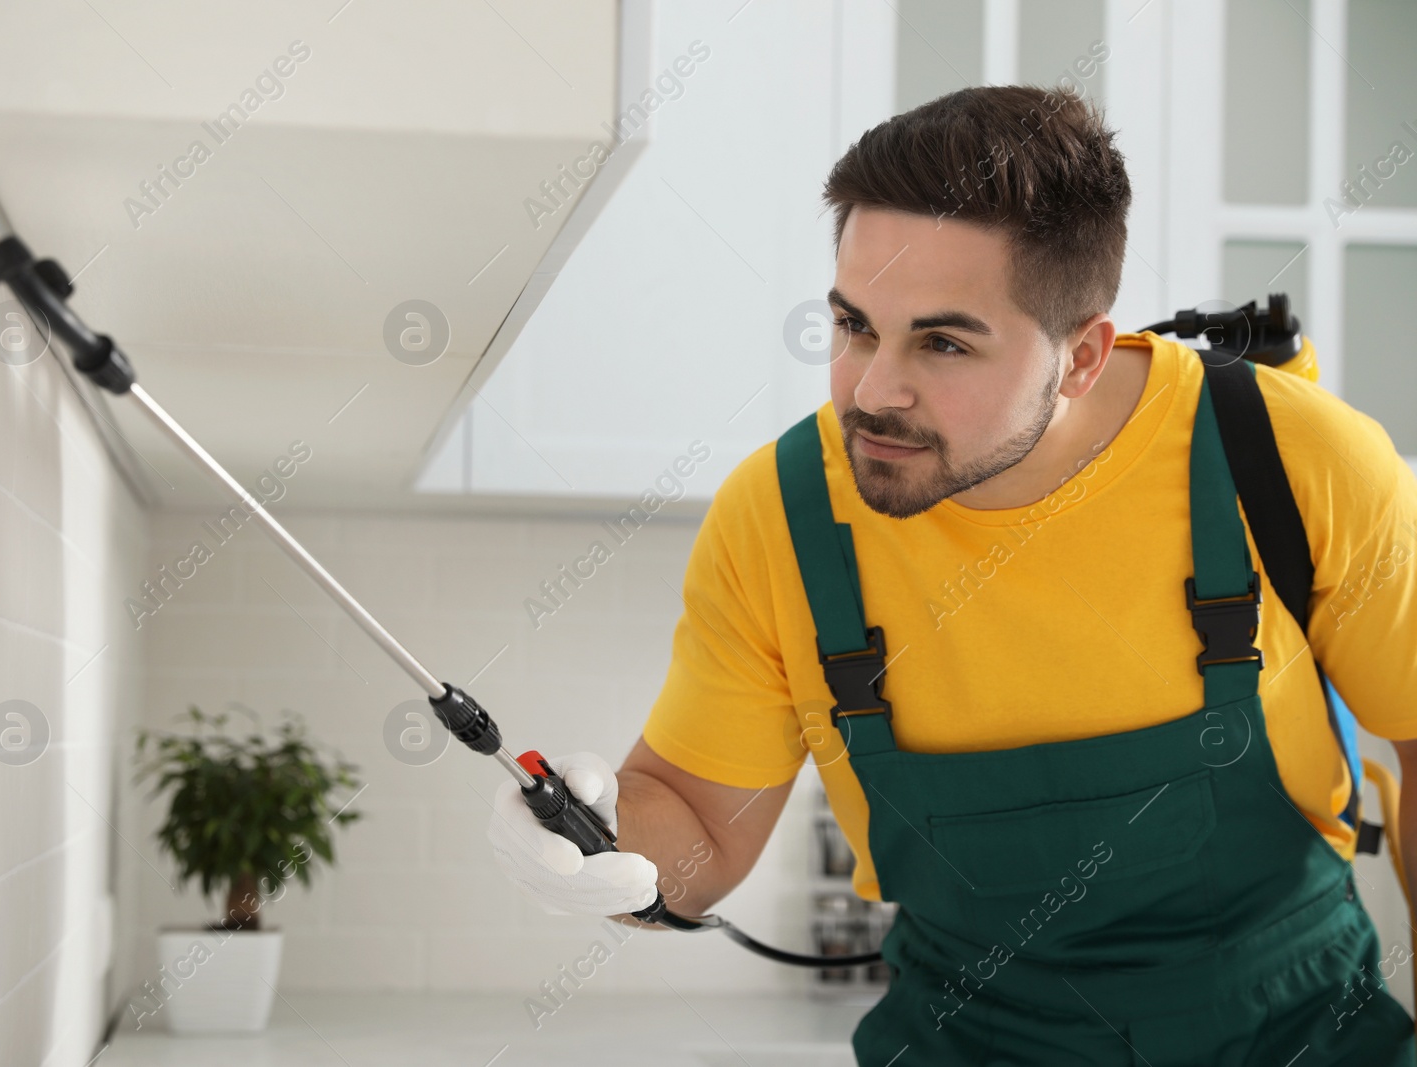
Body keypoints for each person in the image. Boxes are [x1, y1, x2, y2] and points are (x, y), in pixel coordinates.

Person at [489, 84, 1417, 1065]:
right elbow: (701, 834)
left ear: (1081, 356)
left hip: (1297, 1036)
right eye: (853, 326)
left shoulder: (1288, 459)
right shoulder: (781, 519)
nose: (871, 392)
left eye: (941, 341)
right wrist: (595, 846)